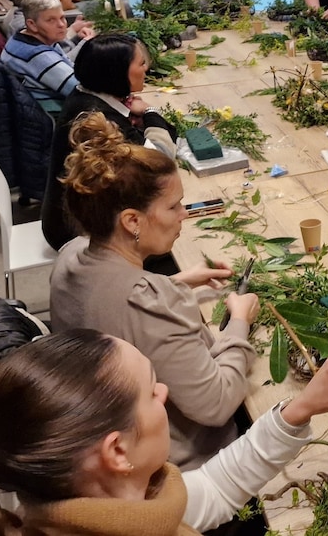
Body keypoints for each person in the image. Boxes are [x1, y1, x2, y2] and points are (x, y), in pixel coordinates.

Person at [0, 329, 328, 535]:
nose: (165, 394)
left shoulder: (95, 510)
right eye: (151, 391)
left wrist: (299, 409)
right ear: (117, 451)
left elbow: (209, 489)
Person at [48, 114, 248, 472]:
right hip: (180, 468)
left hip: (105, 439)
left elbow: (114, 302)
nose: (183, 215)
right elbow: (216, 405)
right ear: (132, 221)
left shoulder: (70, 256)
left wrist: (179, 281)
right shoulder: (150, 303)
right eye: (173, 206)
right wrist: (239, 323)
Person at [42, 33, 177, 251]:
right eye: (141, 63)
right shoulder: (99, 120)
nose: (146, 69)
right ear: (117, 73)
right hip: (79, 234)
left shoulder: (83, 95)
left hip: (69, 216)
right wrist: (151, 112)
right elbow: (161, 160)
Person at [0, 0, 78, 102]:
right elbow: (80, 91)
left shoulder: (21, 37)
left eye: (62, 18)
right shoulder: (39, 56)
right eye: (51, 20)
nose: (61, 25)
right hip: (52, 113)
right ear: (32, 24)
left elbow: (70, 66)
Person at [1, 0, 94, 56]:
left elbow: (60, 49)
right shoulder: (24, 26)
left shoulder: (20, 16)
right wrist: (84, 42)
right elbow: (61, 60)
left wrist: (74, 34)